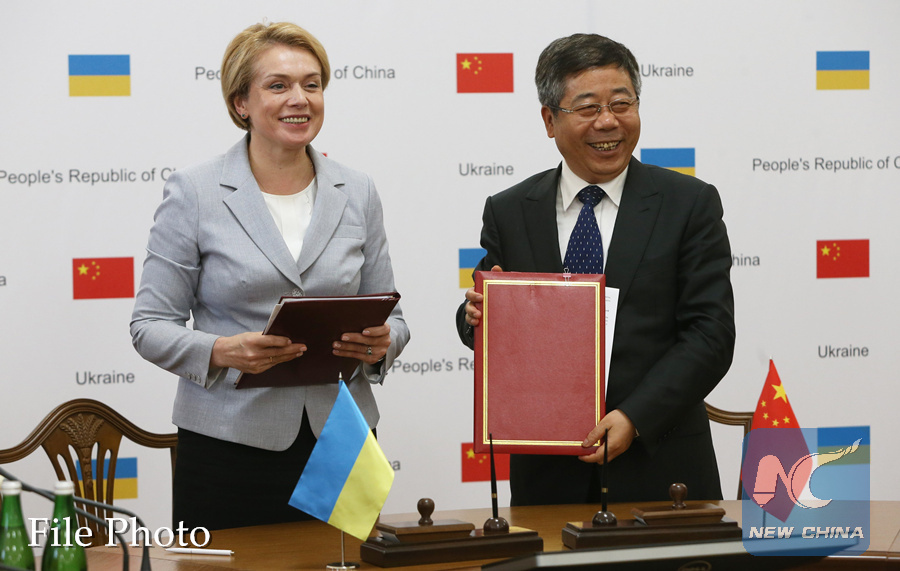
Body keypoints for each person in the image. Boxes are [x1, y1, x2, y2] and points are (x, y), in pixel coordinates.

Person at [130, 22, 409, 530]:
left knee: (346, 564)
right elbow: (149, 325)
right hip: (227, 446)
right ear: (241, 102)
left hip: (343, 440)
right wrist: (221, 351)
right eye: (278, 85)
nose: (299, 99)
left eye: (311, 84)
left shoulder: (358, 190)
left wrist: (381, 344)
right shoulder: (195, 191)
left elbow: (395, 318)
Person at [456, 33, 734, 505]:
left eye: (622, 104)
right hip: (547, 477)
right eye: (588, 108)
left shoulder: (688, 204)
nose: (608, 121)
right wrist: (475, 317)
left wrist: (634, 417)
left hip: (662, 470)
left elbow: (711, 335)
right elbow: (483, 316)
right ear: (549, 119)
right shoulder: (510, 210)